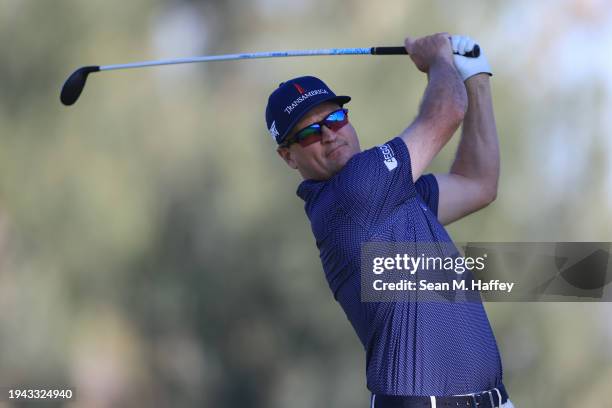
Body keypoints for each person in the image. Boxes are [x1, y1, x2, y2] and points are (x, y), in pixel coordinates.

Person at [265, 33, 514, 408]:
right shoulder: (352, 194)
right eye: (309, 133)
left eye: (335, 117)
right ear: (288, 156)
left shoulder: (390, 194)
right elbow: (446, 111)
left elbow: (478, 184)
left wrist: (476, 77)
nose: (330, 135)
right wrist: (439, 60)